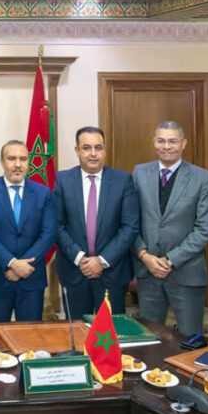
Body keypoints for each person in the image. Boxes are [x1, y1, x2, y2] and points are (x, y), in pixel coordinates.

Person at [132, 121, 208, 336]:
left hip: (186, 272)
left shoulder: (202, 178)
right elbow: (131, 221)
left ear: (183, 143)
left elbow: (205, 228)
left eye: (172, 141)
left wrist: (170, 260)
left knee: (190, 338)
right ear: (154, 142)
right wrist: (144, 255)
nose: (166, 146)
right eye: (161, 141)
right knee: (149, 338)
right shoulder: (139, 173)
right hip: (148, 272)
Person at [54, 127, 139, 318]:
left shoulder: (123, 180)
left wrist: (102, 261)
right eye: (86, 148)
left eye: (98, 147)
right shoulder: (63, 180)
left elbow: (130, 227)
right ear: (77, 150)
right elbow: (57, 225)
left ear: (104, 150)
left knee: (110, 332)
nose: (93, 153)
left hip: (112, 273)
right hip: (74, 270)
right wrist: (80, 258)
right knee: (77, 330)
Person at [0, 140, 56, 322]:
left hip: (31, 276)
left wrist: (23, 266)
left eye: (23, 159)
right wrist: (11, 263)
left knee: (29, 334)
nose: (18, 164)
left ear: (28, 161)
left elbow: (48, 233)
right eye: (11, 159)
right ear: (2, 162)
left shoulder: (43, 192)